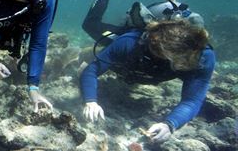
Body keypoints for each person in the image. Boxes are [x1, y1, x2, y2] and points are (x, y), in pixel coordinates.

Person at [80, 19, 215, 143]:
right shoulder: (129, 42)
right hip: (125, 66)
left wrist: (170, 124)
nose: (182, 65)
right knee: (90, 38)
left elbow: (192, 101)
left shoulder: (203, 57)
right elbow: (91, 71)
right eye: (178, 61)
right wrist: (90, 100)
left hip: (152, 75)